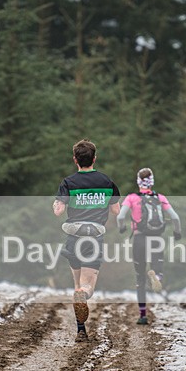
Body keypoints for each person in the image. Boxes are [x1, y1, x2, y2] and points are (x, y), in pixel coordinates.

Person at [53, 139, 121, 341]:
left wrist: (56, 204)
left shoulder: (68, 183)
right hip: (93, 238)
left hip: (74, 238)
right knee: (87, 287)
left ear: (75, 160)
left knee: (76, 283)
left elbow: (59, 211)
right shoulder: (107, 182)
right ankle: (84, 293)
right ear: (94, 158)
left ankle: (81, 330)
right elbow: (116, 211)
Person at [116, 168, 182, 325]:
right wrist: (177, 232)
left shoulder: (132, 198)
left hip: (139, 239)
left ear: (138, 182)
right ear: (152, 182)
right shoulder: (160, 198)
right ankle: (156, 276)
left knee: (140, 278)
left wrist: (122, 228)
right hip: (156, 239)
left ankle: (143, 315)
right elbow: (175, 217)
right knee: (158, 268)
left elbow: (120, 216)